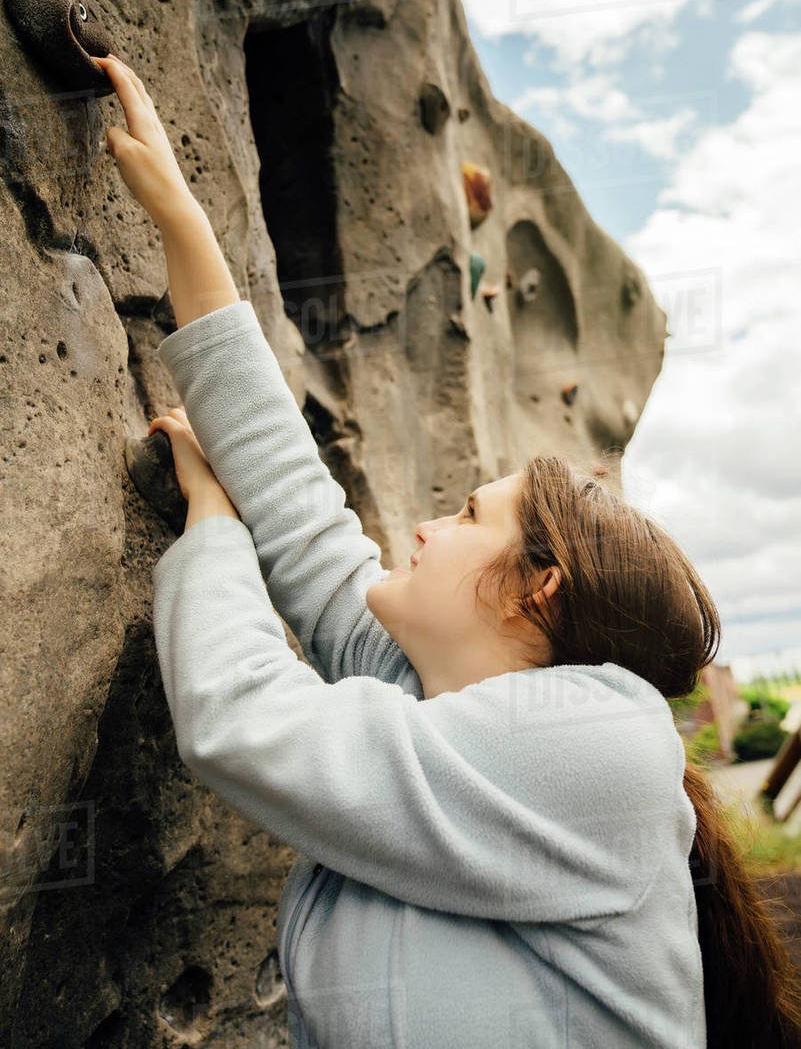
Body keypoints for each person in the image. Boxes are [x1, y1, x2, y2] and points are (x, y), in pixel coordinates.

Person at [93, 52, 801, 1049]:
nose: (425, 527)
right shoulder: (430, 696)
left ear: (535, 591)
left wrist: (211, 519)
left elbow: (244, 718)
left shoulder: (600, 747)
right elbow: (302, 516)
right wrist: (180, 218)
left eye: (467, 517)